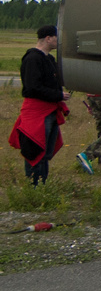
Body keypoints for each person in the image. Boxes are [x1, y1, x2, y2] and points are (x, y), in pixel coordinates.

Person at [8, 25, 69, 186]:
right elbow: (32, 87)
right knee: (35, 149)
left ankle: (42, 185)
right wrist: (58, 95)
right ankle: (33, 185)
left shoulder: (49, 59)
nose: (58, 41)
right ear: (48, 38)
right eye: (56, 37)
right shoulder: (32, 58)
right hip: (37, 111)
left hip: (50, 110)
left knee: (46, 152)